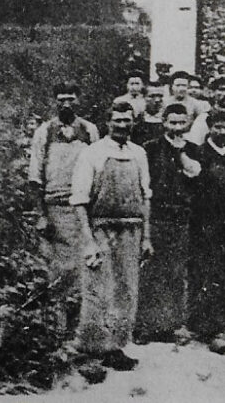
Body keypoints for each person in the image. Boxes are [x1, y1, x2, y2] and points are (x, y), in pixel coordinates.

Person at [69, 102, 151, 374]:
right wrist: (88, 239)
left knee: (126, 291)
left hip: (131, 231)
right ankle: (90, 353)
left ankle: (114, 348)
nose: (122, 125)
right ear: (107, 122)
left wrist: (146, 237)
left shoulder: (139, 153)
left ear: (133, 123)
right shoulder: (92, 153)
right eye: (117, 120)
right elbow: (79, 201)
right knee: (98, 290)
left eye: (127, 120)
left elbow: (145, 196)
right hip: (101, 230)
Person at [28, 82, 100, 330]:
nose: (66, 104)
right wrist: (41, 215)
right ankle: (57, 330)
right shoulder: (44, 132)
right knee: (59, 269)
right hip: (55, 208)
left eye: (71, 99)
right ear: (55, 102)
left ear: (79, 100)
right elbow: (35, 176)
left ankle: (82, 331)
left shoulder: (89, 130)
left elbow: (97, 171)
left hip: (83, 209)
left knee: (86, 266)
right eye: (61, 100)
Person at [134, 104, 201, 343]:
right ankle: (145, 326)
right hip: (157, 216)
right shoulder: (151, 149)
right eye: (172, 123)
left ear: (188, 124)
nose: (176, 127)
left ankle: (171, 325)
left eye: (181, 123)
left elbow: (198, 185)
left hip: (182, 218)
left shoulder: (194, 149)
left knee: (175, 272)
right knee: (152, 271)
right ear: (163, 122)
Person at [187, 110, 225, 354]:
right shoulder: (198, 153)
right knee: (205, 272)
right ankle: (203, 327)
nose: (221, 131)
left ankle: (220, 324)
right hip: (204, 222)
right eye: (217, 127)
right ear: (209, 128)